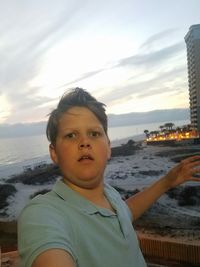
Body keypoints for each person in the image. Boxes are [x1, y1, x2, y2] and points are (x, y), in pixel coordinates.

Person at [18, 88, 200, 267]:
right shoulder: (42, 214)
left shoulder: (109, 194)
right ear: (54, 153)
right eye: (71, 135)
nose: (84, 142)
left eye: (94, 133)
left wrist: (166, 182)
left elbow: (126, 211)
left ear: (109, 148)